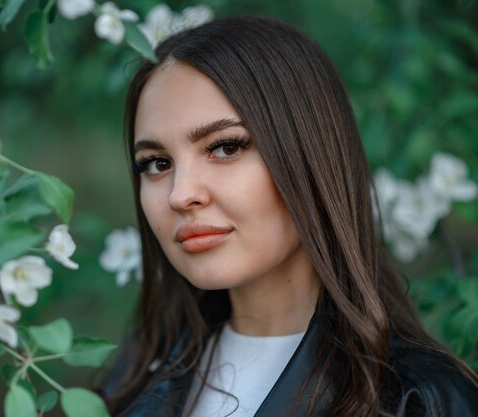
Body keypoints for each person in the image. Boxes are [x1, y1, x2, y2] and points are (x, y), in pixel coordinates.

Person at [102, 15, 478, 417]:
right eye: (157, 163)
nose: (181, 194)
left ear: (310, 158)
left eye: (226, 148)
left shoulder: (418, 400)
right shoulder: (131, 384)